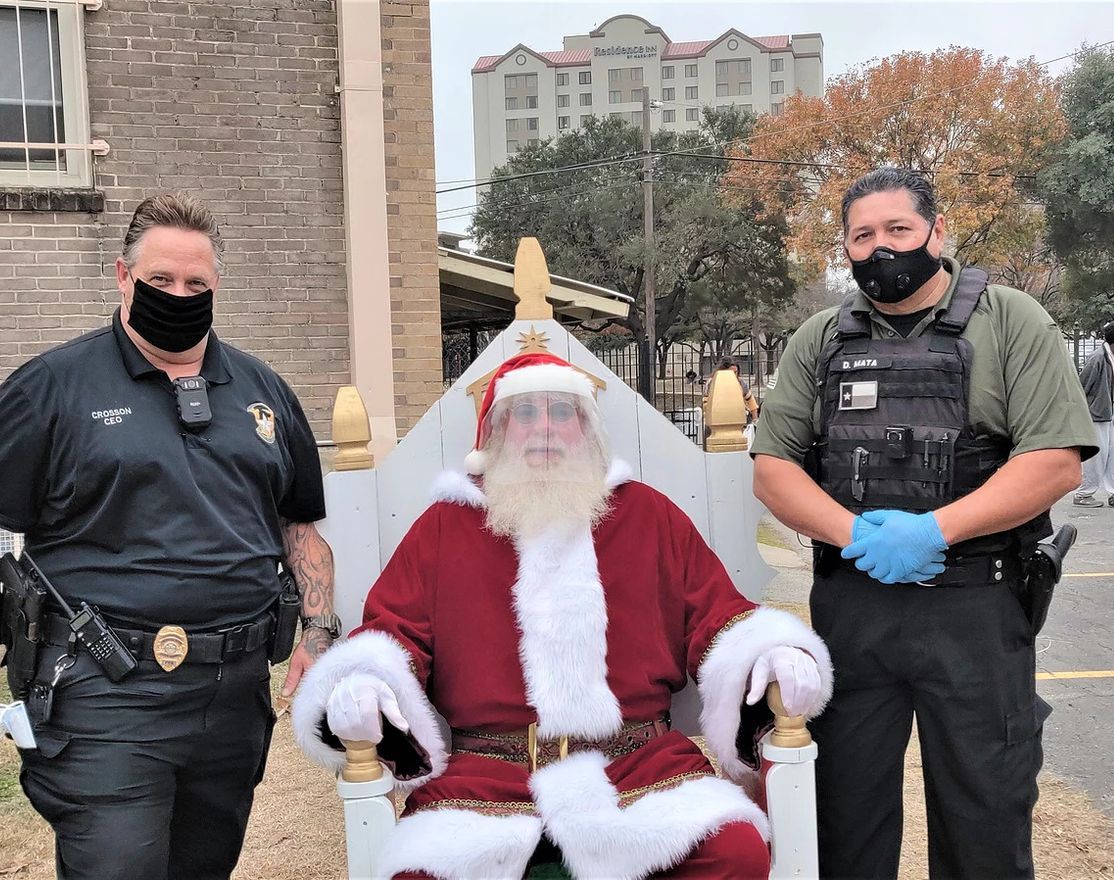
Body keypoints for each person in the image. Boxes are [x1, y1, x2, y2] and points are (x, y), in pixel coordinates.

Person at [0, 194, 340, 880]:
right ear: (122, 276)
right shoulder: (54, 386)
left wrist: (318, 633)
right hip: (106, 691)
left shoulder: (263, 391)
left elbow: (296, 528)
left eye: (197, 283)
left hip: (234, 695)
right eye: (162, 280)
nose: (180, 295)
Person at [292, 351, 834, 880]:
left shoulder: (647, 515)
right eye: (524, 414)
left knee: (733, 853)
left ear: (587, 430)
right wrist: (366, 679)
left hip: (639, 765)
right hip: (487, 774)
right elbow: (392, 631)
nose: (544, 429)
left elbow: (718, 615)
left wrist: (770, 650)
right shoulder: (445, 527)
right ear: (495, 433)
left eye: (562, 412)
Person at [749, 168, 1095, 879]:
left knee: (984, 814)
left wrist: (933, 531)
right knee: (844, 815)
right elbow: (773, 469)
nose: (881, 249)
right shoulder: (821, 339)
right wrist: (858, 536)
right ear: (844, 248)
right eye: (862, 236)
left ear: (937, 233)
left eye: (898, 230)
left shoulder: (1011, 321)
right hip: (855, 606)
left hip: (976, 606)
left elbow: (1056, 462)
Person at [1074, 321, 1114, 509]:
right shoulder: (1098, 358)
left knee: (1113, 453)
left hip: (1111, 410)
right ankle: (1083, 494)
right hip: (1097, 412)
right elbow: (1082, 386)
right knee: (1097, 455)